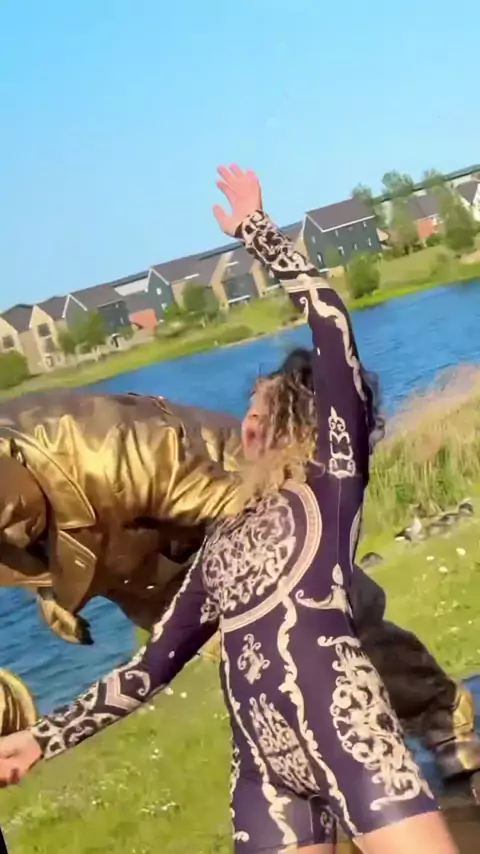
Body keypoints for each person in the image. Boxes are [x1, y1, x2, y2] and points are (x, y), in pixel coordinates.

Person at [0, 166, 459, 854]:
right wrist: (44, 737)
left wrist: (257, 231)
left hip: (352, 738)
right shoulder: (217, 551)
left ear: (300, 421)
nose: (244, 427)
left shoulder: (329, 486)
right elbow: (148, 671)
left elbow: (330, 321)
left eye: (260, 412)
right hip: (264, 775)